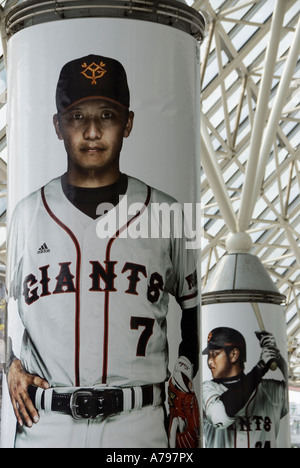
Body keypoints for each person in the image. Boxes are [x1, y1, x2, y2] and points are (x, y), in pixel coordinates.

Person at [5, 54, 200, 448]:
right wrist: (8, 364)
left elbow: (196, 306)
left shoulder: (169, 212)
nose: (92, 131)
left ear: (127, 123)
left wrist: (185, 372)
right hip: (46, 423)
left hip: (141, 423)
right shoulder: (26, 213)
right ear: (58, 126)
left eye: (107, 115)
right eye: (77, 117)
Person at [202, 327, 289, 448]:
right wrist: (260, 368)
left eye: (215, 354)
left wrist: (278, 357)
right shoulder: (208, 389)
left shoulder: (269, 390)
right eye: (209, 355)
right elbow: (219, 417)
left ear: (234, 354)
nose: (209, 361)